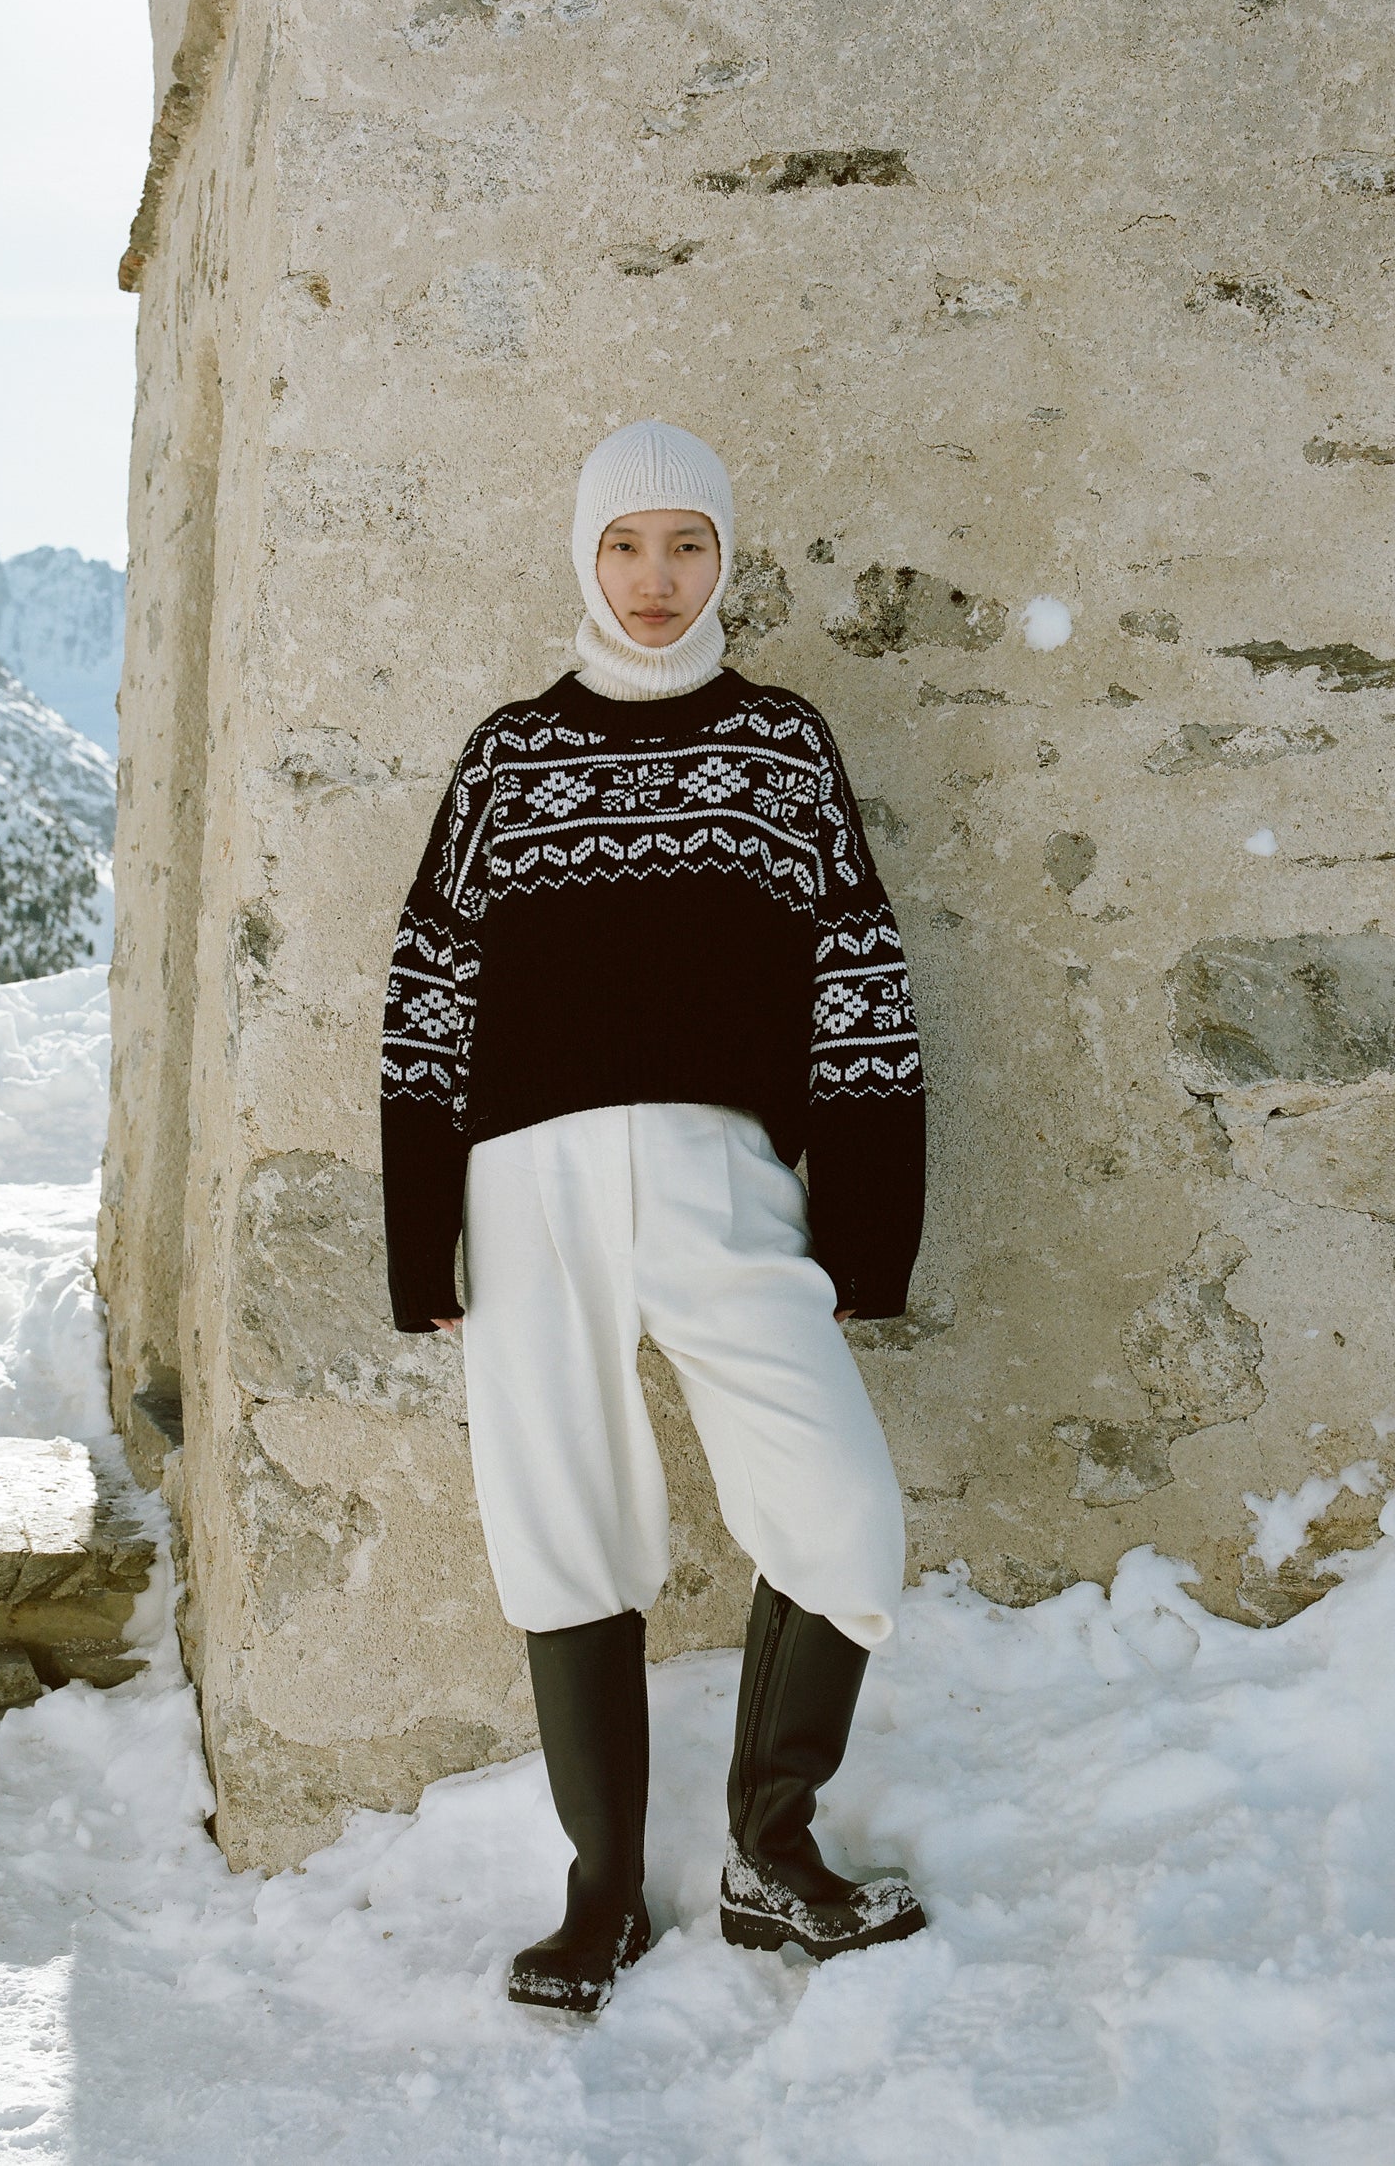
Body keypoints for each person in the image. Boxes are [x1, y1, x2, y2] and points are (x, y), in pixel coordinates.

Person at [380, 420, 929, 2013]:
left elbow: (860, 986)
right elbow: (427, 992)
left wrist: (865, 1231)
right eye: (623, 546)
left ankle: (773, 1850)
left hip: (722, 1178)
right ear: (582, 556)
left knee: (842, 1515)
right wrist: (424, 1235)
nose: (651, 578)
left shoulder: (781, 746)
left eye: (683, 544)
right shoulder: (504, 755)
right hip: (523, 1185)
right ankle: (601, 1893)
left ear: (723, 560)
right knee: (560, 1525)